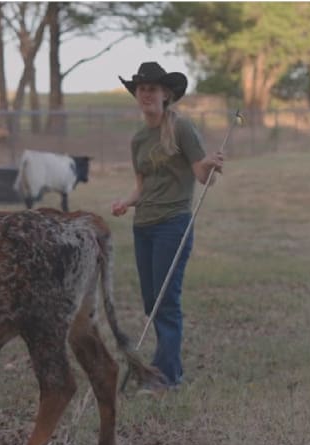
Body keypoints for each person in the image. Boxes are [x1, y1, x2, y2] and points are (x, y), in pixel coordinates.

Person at [111, 61, 224, 391]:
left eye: (152, 89)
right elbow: (141, 186)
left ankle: (165, 376)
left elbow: (201, 175)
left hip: (172, 225)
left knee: (166, 301)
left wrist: (210, 165)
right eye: (142, 89)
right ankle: (169, 367)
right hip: (142, 226)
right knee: (150, 301)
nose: (146, 94)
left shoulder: (182, 129)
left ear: (166, 95)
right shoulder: (138, 140)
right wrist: (125, 202)